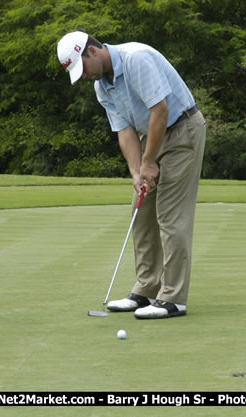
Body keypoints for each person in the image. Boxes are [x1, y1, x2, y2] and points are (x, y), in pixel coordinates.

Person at [57, 31, 206, 319]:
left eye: (82, 68)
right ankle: (146, 289)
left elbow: (160, 111)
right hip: (152, 135)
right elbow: (124, 131)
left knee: (170, 216)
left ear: (92, 51)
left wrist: (148, 162)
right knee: (141, 210)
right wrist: (137, 172)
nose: (84, 76)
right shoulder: (103, 86)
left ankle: (173, 298)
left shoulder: (136, 59)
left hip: (182, 130)